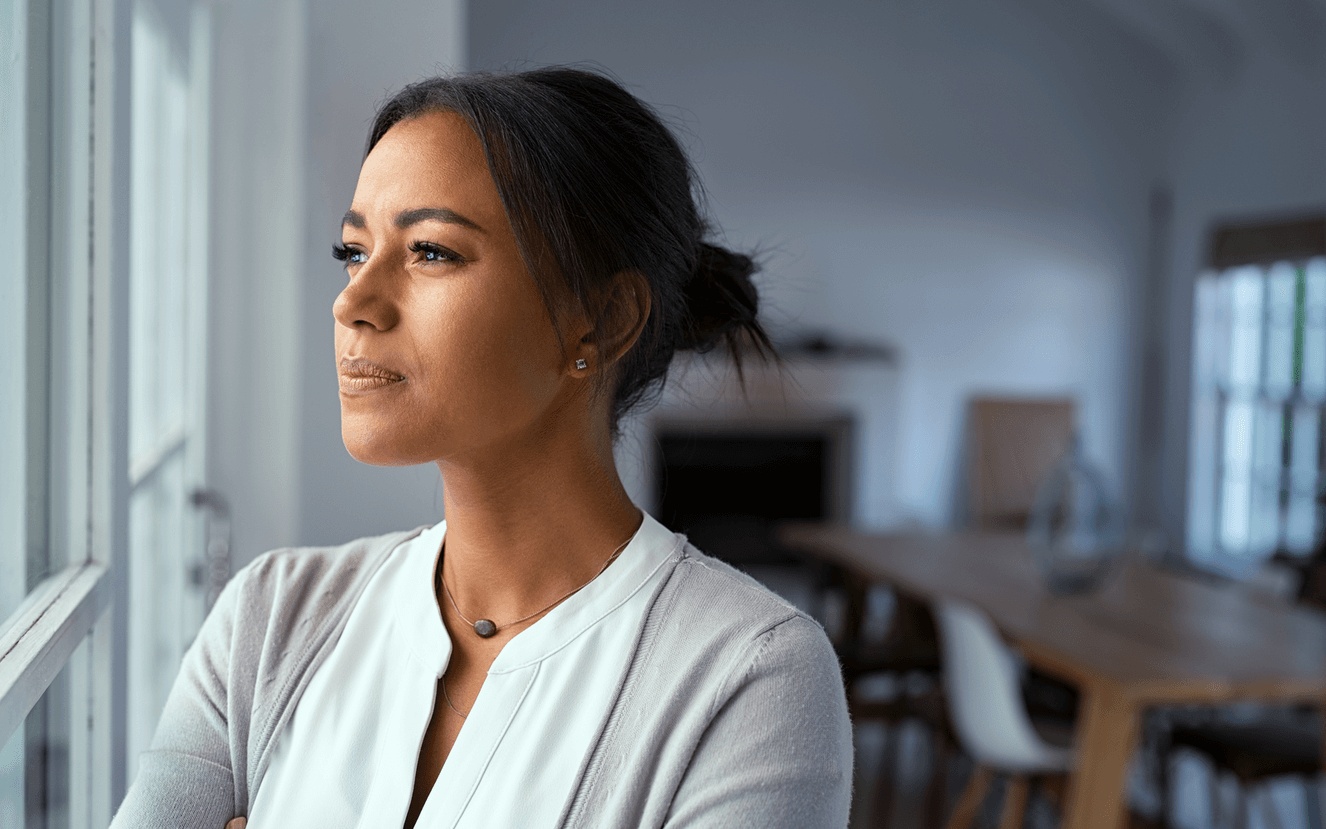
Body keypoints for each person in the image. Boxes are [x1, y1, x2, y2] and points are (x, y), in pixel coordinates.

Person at [111, 66, 853, 828]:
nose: (352, 302)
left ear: (599, 320)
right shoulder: (267, 621)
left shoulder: (751, 679)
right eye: (353, 251)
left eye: (431, 251)